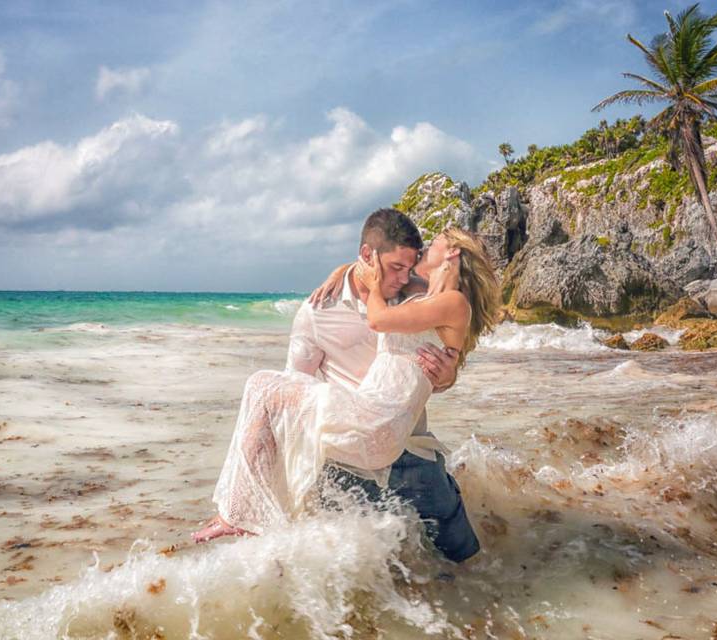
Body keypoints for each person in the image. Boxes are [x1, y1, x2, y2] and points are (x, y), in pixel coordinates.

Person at [193, 210, 501, 563]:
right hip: (351, 442)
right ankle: (249, 522)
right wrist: (347, 271)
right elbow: (296, 387)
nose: (403, 277)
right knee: (265, 390)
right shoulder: (319, 310)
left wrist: (448, 375)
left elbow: (398, 329)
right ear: (368, 257)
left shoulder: (414, 295)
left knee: (458, 546)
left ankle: (496, 587)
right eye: (396, 268)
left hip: (407, 445)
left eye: (410, 266)